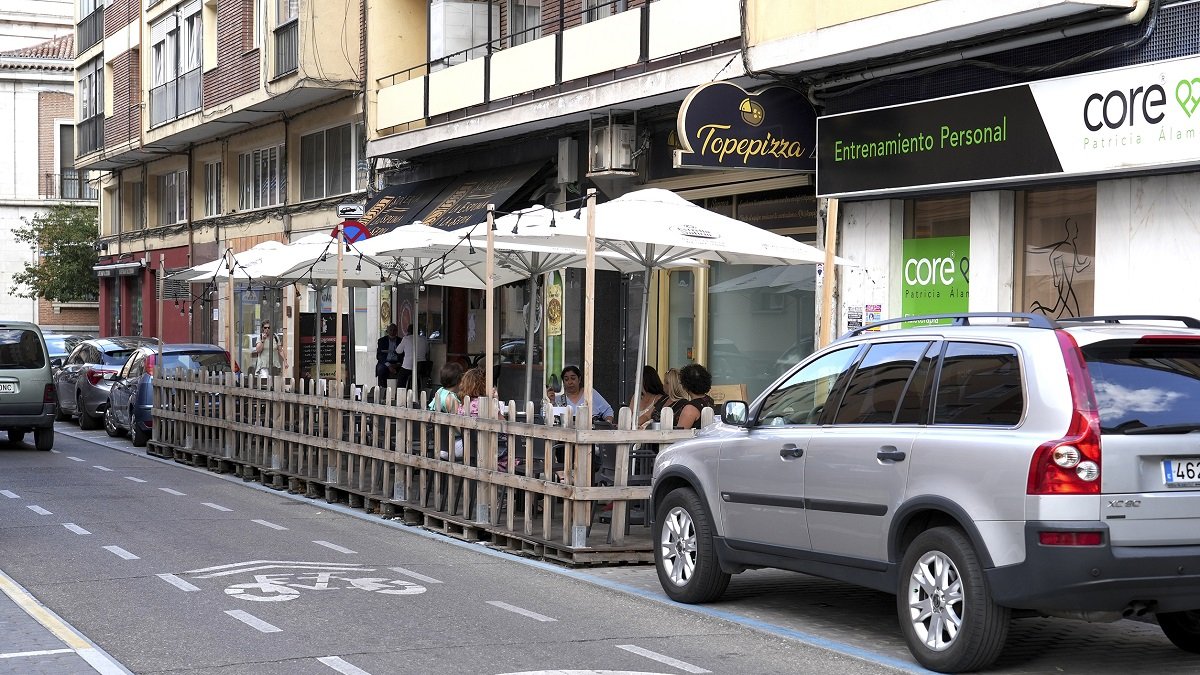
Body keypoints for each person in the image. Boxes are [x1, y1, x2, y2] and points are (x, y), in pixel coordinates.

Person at [546, 365, 614, 424]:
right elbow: (550, 420)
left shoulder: (590, 393)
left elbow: (608, 410)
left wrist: (607, 423)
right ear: (563, 382)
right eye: (566, 379)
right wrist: (552, 401)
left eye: (573, 378)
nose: (570, 382)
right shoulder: (558, 399)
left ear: (579, 379)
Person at [674, 363, 715, 430]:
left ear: (685, 385)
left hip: (693, 440)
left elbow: (679, 434)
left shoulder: (690, 409)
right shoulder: (709, 400)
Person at [394, 323, 428, 391]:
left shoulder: (406, 338)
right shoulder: (424, 339)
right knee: (417, 377)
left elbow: (398, 351)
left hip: (409, 367)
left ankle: (400, 395)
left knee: (401, 378)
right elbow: (427, 351)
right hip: (422, 368)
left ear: (408, 331)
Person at [375, 323, 400, 390]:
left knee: (405, 371)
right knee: (381, 369)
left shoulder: (400, 341)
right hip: (385, 362)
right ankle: (383, 392)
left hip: (397, 362)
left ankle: (400, 393)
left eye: (394, 330)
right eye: (391, 330)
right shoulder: (382, 341)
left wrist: (397, 364)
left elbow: (403, 355)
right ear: (387, 331)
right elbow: (379, 356)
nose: (392, 332)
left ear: (397, 331)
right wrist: (389, 365)